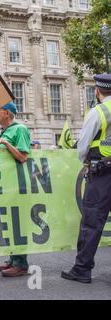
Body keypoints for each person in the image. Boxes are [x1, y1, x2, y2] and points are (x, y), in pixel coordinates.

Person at [61, 73, 111, 284]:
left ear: (97, 91)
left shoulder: (98, 111)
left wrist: (86, 162)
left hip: (102, 174)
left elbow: (83, 145)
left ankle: (82, 269)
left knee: (92, 221)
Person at [0, 102, 31, 277]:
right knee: (8, 223)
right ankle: (13, 259)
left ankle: (21, 264)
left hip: (17, 184)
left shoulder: (20, 129)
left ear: (7, 113)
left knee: (17, 224)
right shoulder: (3, 131)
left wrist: (5, 142)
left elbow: (22, 157)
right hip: (4, 184)